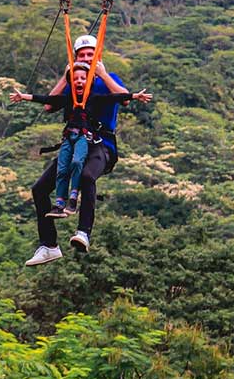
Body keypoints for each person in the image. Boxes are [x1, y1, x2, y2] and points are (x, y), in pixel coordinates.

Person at [24, 34, 152, 265]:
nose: (86, 58)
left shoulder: (106, 79)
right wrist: (66, 78)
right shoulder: (76, 82)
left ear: (98, 56)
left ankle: (83, 232)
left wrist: (102, 73)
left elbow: (123, 99)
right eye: (82, 56)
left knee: (86, 176)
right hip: (74, 143)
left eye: (90, 55)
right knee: (40, 189)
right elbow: (48, 105)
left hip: (101, 145)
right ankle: (49, 245)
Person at [10, 62, 142, 218]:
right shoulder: (67, 99)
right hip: (68, 137)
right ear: (71, 83)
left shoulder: (94, 99)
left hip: (83, 137)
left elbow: (116, 97)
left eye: (83, 79)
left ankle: (73, 196)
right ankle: (60, 203)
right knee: (62, 169)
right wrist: (24, 97)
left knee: (77, 162)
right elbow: (47, 100)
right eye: (75, 79)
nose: (79, 81)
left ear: (89, 82)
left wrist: (134, 96)